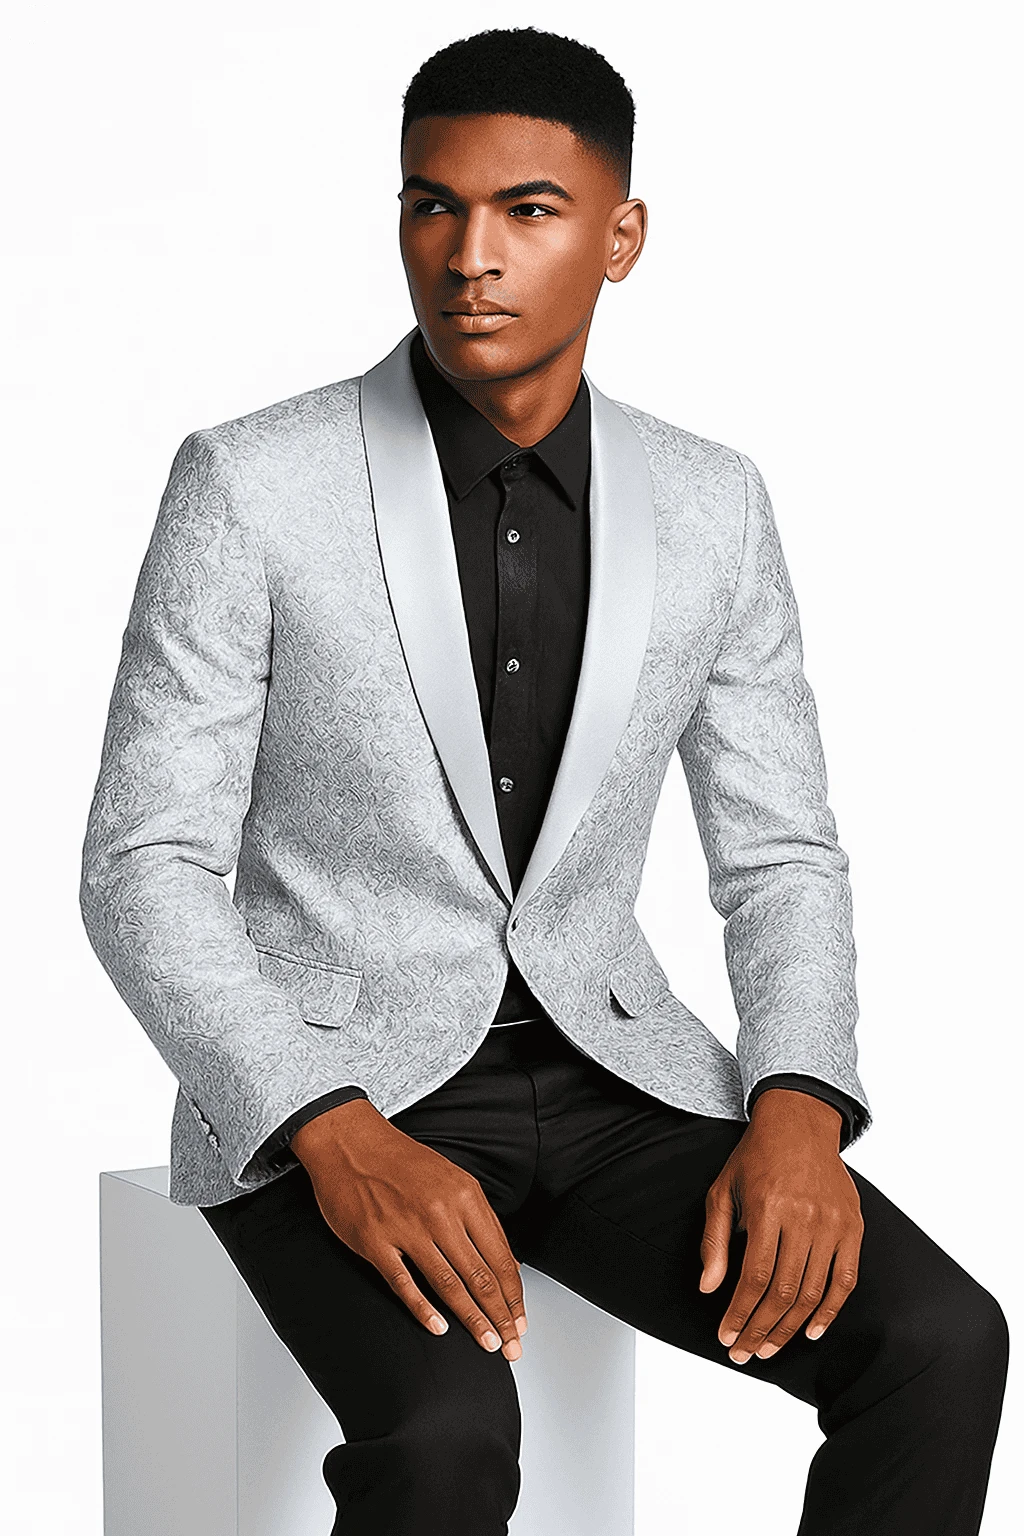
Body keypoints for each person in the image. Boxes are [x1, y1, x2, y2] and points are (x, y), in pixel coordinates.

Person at [79, 26, 1008, 1535]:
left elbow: (781, 855)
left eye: (528, 210)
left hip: (614, 1078)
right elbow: (143, 865)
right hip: (344, 1087)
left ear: (619, 238)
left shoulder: (712, 503)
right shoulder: (250, 484)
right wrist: (330, 1127)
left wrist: (797, 1104)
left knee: (944, 1343)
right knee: (448, 1439)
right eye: (432, 206)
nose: (470, 257)